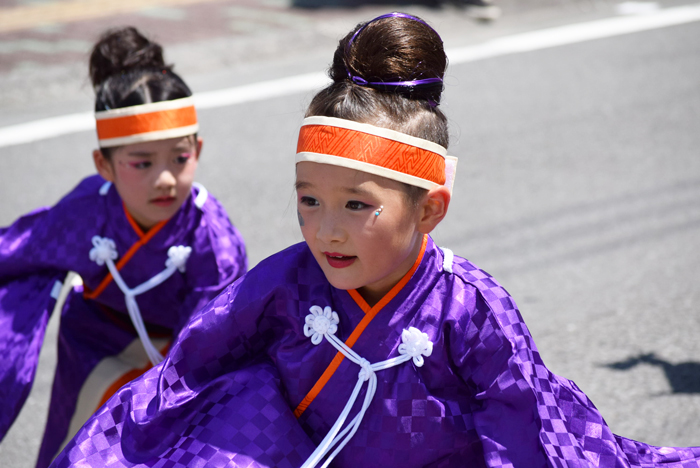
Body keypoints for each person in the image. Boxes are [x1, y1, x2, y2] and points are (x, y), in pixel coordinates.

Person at [51, 13, 700, 468]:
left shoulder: (469, 309)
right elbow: (187, 370)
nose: (325, 227)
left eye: (357, 204)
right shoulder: (283, 283)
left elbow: (522, 429)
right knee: (238, 394)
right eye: (308, 198)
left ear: (430, 209)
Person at [0, 27, 248, 467]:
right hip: (92, 344)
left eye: (179, 157)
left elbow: (211, 337)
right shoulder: (87, 210)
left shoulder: (211, 236)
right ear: (105, 165)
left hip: (175, 362)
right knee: (74, 449)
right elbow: (19, 249)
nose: (166, 178)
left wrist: (166, 390)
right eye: (142, 163)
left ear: (198, 149)